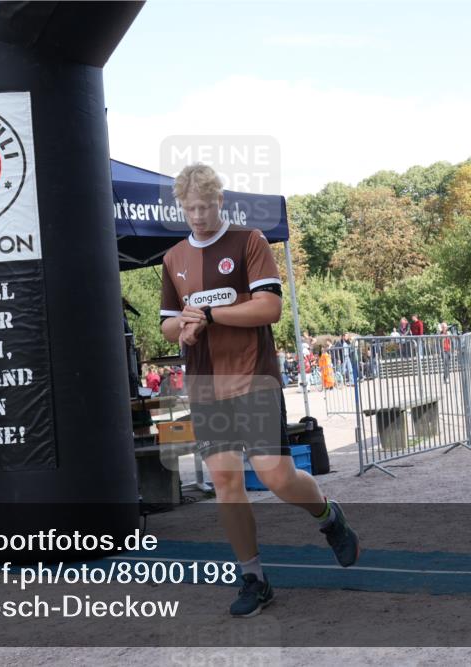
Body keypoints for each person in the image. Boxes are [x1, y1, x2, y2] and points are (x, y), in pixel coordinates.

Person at [159, 163, 359, 618]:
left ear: (220, 201)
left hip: (253, 377)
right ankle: (254, 577)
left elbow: (268, 307)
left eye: (205, 207)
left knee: (275, 476)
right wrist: (184, 330)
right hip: (206, 385)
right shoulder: (173, 258)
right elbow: (168, 325)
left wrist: (207, 315)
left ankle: (328, 516)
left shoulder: (249, 242)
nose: (197, 216)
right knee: (226, 483)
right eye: (189, 209)